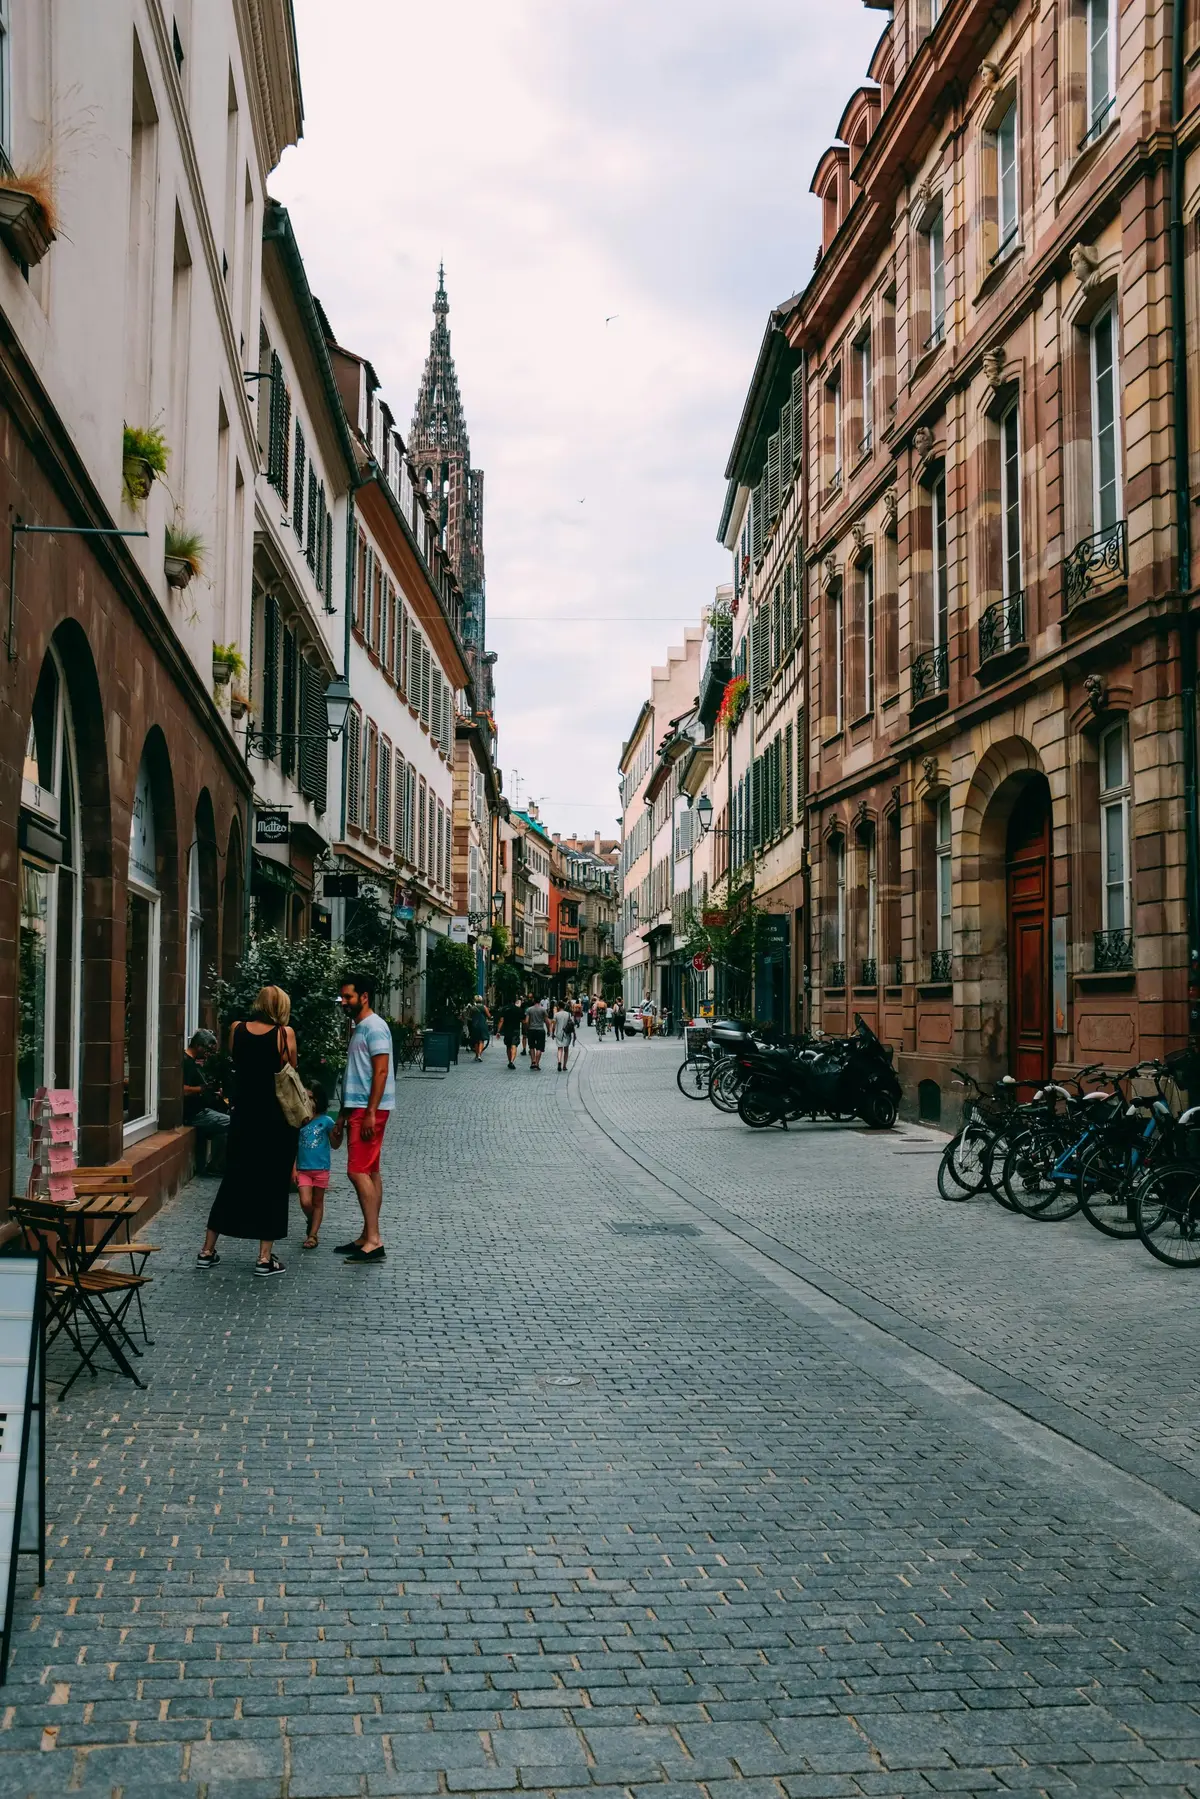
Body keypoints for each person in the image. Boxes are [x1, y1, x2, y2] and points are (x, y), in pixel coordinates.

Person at [196, 987, 298, 1277]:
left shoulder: (236, 1029)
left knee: (233, 1180)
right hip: (275, 1121)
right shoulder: (284, 1034)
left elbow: (237, 1063)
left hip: (243, 1117)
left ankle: (207, 1250)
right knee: (273, 1185)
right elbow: (291, 1071)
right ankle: (264, 1258)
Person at [331, 971, 395, 1264]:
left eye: (348, 997)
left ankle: (374, 1240)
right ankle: (367, 1235)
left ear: (364, 997)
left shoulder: (374, 1027)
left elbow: (381, 1071)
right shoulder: (359, 1027)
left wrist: (369, 1111)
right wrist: (343, 1116)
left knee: (357, 1171)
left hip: (368, 1110)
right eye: (343, 996)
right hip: (358, 1108)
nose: (343, 1001)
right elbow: (355, 1075)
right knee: (369, 1171)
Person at [296, 1082, 336, 1250]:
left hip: (321, 1168)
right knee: (305, 1202)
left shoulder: (326, 1121)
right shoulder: (300, 1121)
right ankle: (312, 1220)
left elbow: (335, 1143)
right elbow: (293, 1146)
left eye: (311, 1097)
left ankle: (313, 1234)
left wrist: (339, 1131)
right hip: (303, 1168)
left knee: (318, 1201)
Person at [183, 1029, 229, 1176]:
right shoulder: (186, 1063)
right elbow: (182, 1089)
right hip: (195, 1113)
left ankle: (217, 1164)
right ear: (199, 1046)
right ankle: (216, 1165)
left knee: (223, 1128)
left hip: (202, 1109)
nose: (208, 1054)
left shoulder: (194, 1063)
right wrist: (203, 1088)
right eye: (208, 1050)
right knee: (233, 1123)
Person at [497, 996, 524, 1069]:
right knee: (514, 1045)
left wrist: (498, 1031)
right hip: (516, 1030)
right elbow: (523, 1020)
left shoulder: (504, 1009)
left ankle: (509, 1061)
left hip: (507, 1030)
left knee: (508, 1046)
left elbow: (501, 1020)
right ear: (514, 1001)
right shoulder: (518, 1009)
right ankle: (512, 1061)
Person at [524, 995, 549, 1070]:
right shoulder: (543, 1010)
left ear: (534, 1001)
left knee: (531, 1047)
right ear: (540, 1001)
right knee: (539, 1047)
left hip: (531, 1030)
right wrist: (549, 1030)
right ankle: (537, 1064)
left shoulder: (529, 1009)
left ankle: (533, 1061)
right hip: (540, 1030)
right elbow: (547, 1021)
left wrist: (527, 1029)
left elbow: (526, 1021)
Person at [466, 997, 491, 1061]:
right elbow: (489, 1016)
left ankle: (477, 1055)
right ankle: (479, 1055)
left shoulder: (472, 1008)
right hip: (482, 1025)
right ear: (481, 1000)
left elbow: (469, 1017)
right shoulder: (484, 1007)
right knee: (481, 1040)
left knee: (476, 1041)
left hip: (475, 1025)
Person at [556, 1002, 577, 1070]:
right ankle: (564, 1066)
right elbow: (572, 1024)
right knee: (566, 1050)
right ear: (564, 1007)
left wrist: (552, 1033)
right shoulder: (568, 1014)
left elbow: (553, 1024)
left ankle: (559, 1061)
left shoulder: (556, 1014)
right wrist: (574, 1033)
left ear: (558, 1007)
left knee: (559, 1048)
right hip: (567, 1033)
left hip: (559, 1033)